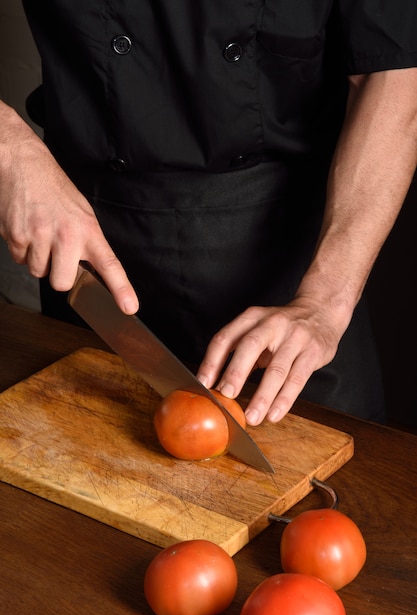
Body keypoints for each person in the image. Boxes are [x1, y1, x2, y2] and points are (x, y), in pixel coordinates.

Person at [1, 1, 417, 426]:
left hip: (294, 261)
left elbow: (390, 68)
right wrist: (9, 147)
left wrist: (327, 299)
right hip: (87, 242)